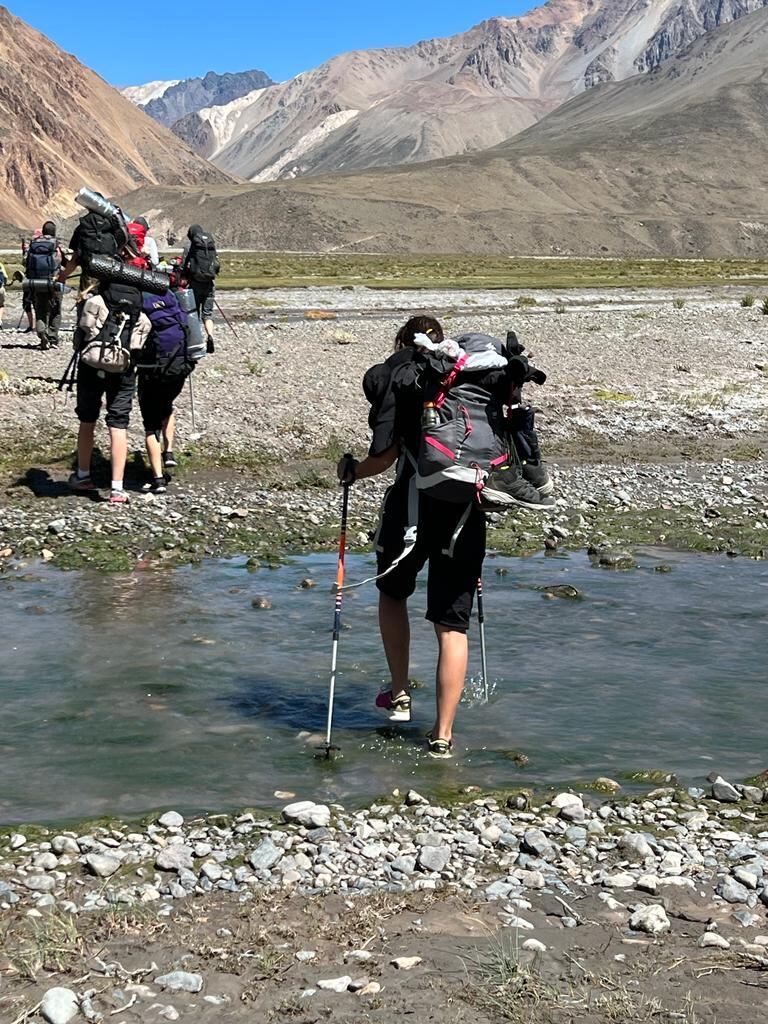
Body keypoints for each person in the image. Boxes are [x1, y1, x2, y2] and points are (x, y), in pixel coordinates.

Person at [337, 316, 539, 758]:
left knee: (392, 594)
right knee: (452, 625)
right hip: (467, 510)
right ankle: (443, 735)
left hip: (411, 510)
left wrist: (352, 471)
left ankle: (398, 692)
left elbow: (386, 455)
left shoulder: (411, 380)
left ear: (401, 343)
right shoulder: (472, 385)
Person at [68, 282, 150, 504]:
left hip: (91, 365)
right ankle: (117, 489)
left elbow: (80, 335)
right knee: (118, 422)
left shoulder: (96, 301)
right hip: (123, 369)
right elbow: (138, 344)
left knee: (87, 419)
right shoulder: (138, 308)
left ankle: (83, 475)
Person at [137, 289, 196, 492]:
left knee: (150, 426)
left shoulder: (141, 304)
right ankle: (168, 452)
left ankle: (158, 479)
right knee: (168, 407)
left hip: (152, 372)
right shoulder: (171, 299)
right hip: (179, 368)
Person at [25, 221, 64, 349]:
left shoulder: (34, 243)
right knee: (55, 309)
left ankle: (42, 332)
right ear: (54, 231)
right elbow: (61, 261)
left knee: (40, 308)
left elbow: (26, 260)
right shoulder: (56, 244)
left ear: (43, 230)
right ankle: (52, 337)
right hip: (54, 281)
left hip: (37, 282)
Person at [182, 224, 219, 350]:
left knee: (195, 313)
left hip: (195, 284)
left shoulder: (190, 247)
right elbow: (216, 264)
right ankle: (210, 336)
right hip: (209, 284)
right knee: (207, 314)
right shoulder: (210, 246)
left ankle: (198, 340)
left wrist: (184, 276)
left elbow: (184, 264)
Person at [0, 257, 7, 329]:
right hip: (0, 288)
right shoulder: (0, 265)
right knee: (1, 305)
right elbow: (5, 276)